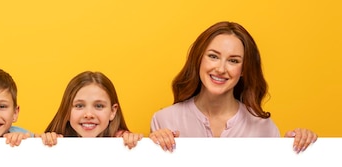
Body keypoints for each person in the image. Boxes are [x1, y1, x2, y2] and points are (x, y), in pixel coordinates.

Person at [150, 21, 317, 153]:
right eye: (213, 56)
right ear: (199, 58)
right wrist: (152, 146)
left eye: (233, 60)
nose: (221, 69)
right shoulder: (164, 120)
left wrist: (300, 147)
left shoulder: (263, 127)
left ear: (244, 69)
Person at [39, 71, 142, 149]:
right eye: (79, 106)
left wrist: (133, 141)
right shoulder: (55, 140)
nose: (88, 114)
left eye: (99, 106)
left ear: (113, 111)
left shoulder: (124, 140)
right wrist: (48, 139)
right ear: (67, 111)